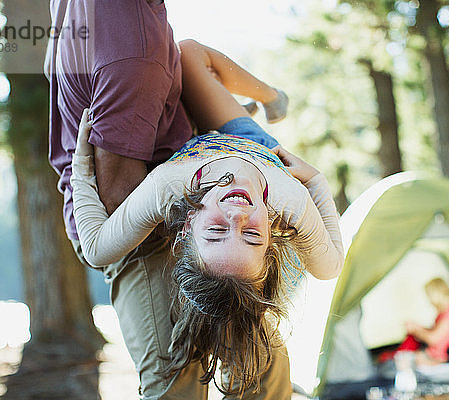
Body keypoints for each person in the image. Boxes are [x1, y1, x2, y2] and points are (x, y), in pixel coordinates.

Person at [70, 39, 344, 396]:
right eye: (251, 235)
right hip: (250, 144)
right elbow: (331, 266)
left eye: (216, 230)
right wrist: (316, 181)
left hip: (200, 158)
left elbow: (95, 246)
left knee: (258, 355)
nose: (237, 214)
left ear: (188, 224)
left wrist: (81, 165)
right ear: (271, 232)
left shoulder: (169, 185)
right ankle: (270, 99)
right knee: (189, 55)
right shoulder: (290, 199)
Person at [401, 278, 449, 366]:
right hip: (436, 354)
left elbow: (434, 338)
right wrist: (418, 327)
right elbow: (436, 331)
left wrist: (415, 329)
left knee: (412, 361)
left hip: (447, 357)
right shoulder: (444, 312)